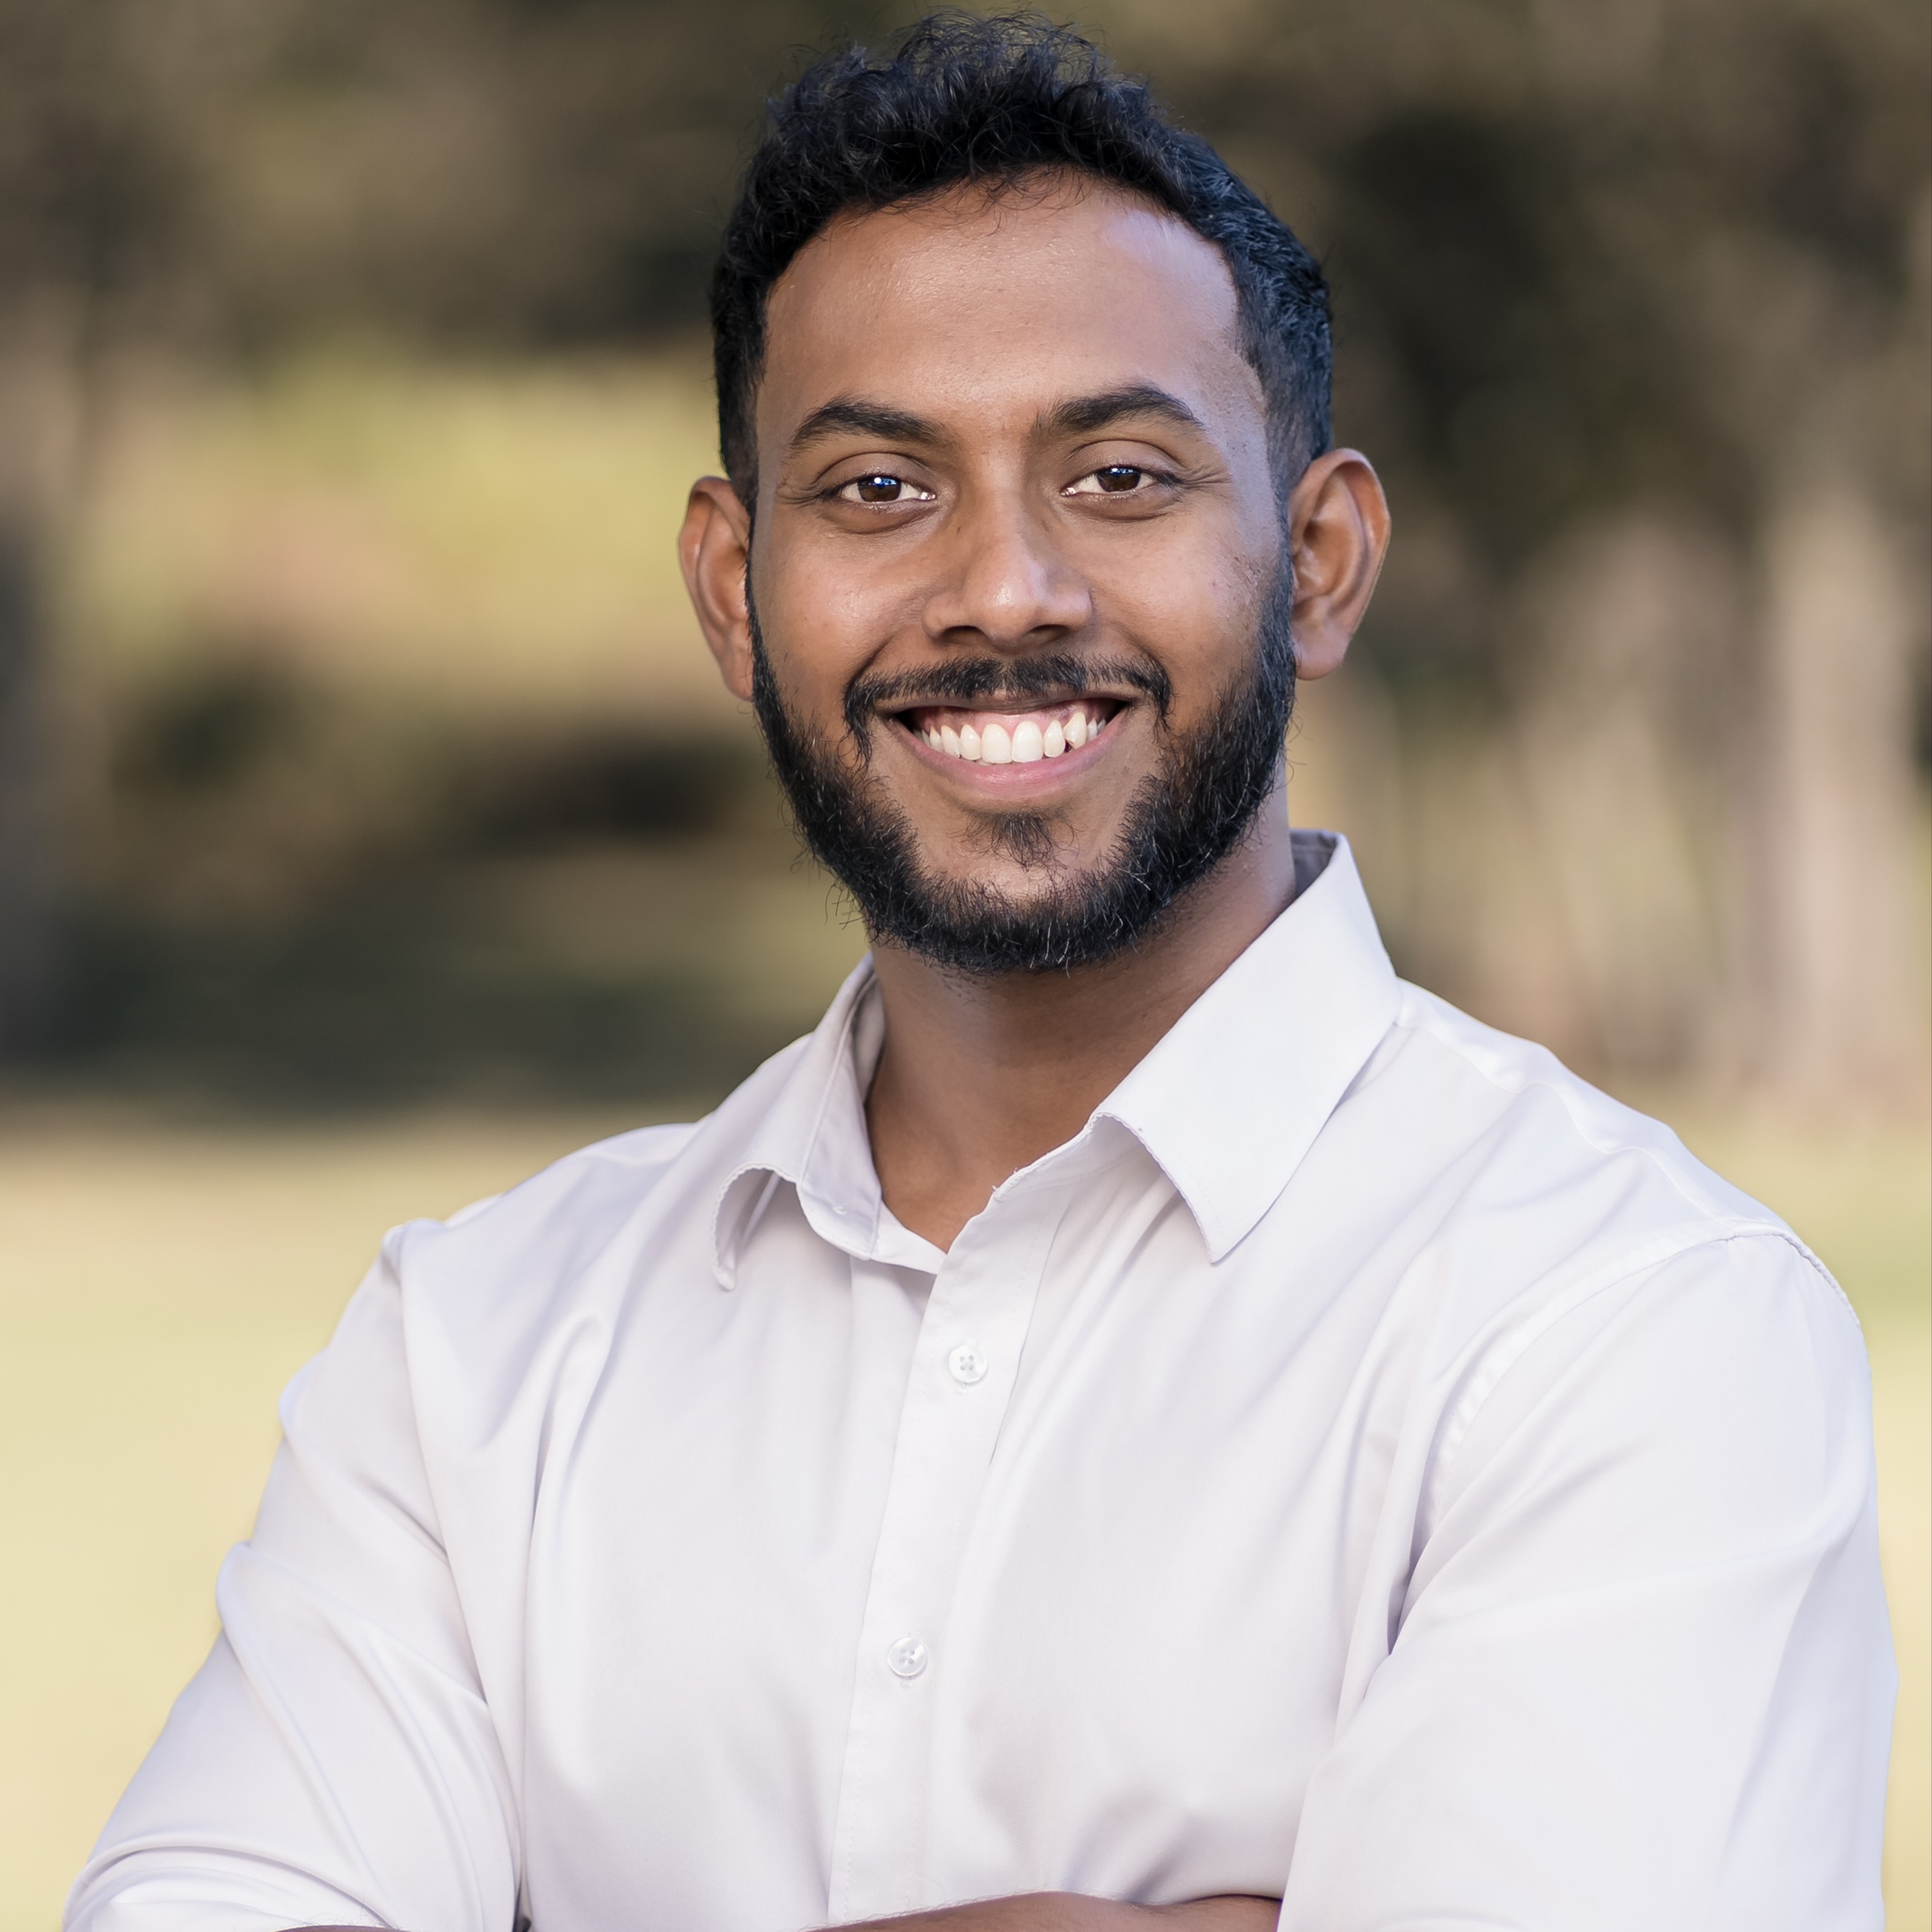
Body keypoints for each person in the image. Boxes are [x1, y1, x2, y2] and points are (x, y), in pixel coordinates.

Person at [68, 17, 1893, 1932]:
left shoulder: (1626, 1325)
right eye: (873, 489)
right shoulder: (472, 1358)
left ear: (1321, 558)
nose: (1005, 587)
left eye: (1117, 474)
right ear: (729, 589)